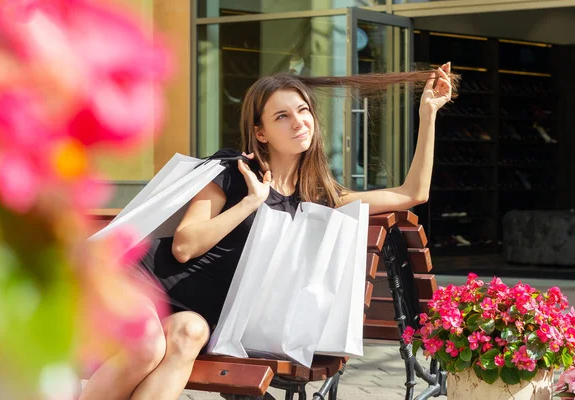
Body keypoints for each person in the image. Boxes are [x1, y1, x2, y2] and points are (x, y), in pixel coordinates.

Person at [80, 62, 455, 400]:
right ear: (260, 133)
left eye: (303, 111)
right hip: (140, 281)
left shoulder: (320, 198)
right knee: (145, 345)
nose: (298, 122)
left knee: (188, 335)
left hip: (199, 312)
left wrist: (428, 115)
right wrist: (249, 202)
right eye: (281, 117)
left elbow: (412, 193)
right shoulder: (232, 171)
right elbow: (184, 245)